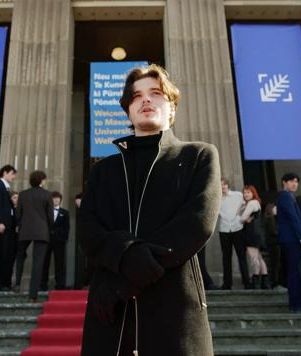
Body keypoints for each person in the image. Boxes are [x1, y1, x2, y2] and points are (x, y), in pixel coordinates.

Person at [80, 64, 221, 356]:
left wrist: (124, 282)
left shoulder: (199, 155)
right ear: (128, 110)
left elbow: (196, 225)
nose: (145, 100)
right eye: (136, 96)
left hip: (173, 309)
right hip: (111, 314)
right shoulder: (103, 170)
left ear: (171, 107)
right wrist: (121, 267)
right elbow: (89, 231)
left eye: (155, 93)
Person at [14, 170, 53, 302]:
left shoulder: (23, 195)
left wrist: (20, 224)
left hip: (25, 230)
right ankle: (33, 296)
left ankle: (17, 282)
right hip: (42, 231)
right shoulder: (47, 195)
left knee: (20, 256)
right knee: (38, 263)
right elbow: (50, 217)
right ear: (42, 180)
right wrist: (50, 229)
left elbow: (18, 214)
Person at [276, 173, 301, 312]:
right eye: (291, 181)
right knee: (295, 272)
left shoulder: (289, 197)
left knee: (295, 271)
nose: (295, 184)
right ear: (284, 182)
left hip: (290, 239)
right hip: (292, 240)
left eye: (296, 181)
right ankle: (297, 303)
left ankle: (298, 303)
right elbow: (294, 219)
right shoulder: (285, 197)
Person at [218, 178, 250, 290]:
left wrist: (245, 216)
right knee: (226, 258)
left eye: (224, 185)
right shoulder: (217, 198)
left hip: (237, 228)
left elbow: (247, 204)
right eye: (220, 185)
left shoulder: (238, 195)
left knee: (242, 256)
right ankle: (227, 284)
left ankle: (247, 282)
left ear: (227, 185)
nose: (222, 187)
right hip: (224, 230)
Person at [239, 185, 269, 289]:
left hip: (251, 233)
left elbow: (242, 218)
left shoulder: (252, 203)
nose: (246, 194)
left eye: (248, 192)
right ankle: (265, 282)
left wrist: (243, 217)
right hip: (256, 233)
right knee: (259, 258)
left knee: (254, 258)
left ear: (253, 193)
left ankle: (256, 280)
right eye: (244, 192)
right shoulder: (255, 203)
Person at [40, 191, 70, 291]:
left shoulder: (64, 213)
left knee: (60, 263)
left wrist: (63, 238)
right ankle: (43, 284)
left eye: (58, 198)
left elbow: (67, 228)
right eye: (54, 198)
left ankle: (60, 284)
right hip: (47, 240)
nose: (56, 200)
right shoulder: (45, 212)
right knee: (45, 262)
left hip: (59, 241)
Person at [263, 203, 283, 288]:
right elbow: (273, 231)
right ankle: (275, 282)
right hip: (274, 244)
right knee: (276, 264)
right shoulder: (271, 219)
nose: (277, 210)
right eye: (275, 209)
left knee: (274, 264)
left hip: (272, 244)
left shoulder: (269, 219)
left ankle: (274, 282)